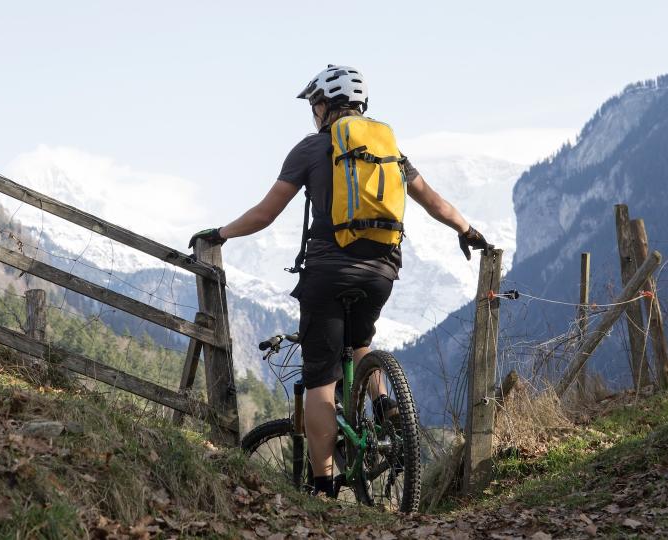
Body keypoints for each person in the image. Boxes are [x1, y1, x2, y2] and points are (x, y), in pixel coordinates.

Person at [189, 65, 492, 497]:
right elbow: (432, 201)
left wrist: (219, 233)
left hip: (327, 275)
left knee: (320, 380)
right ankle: (384, 403)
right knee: (361, 338)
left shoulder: (312, 149)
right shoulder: (389, 152)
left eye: (314, 104)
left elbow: (265, 213)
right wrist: (467, 230)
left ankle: (323, 482)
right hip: (382, 272)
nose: (312, 113)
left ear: (325, 104)